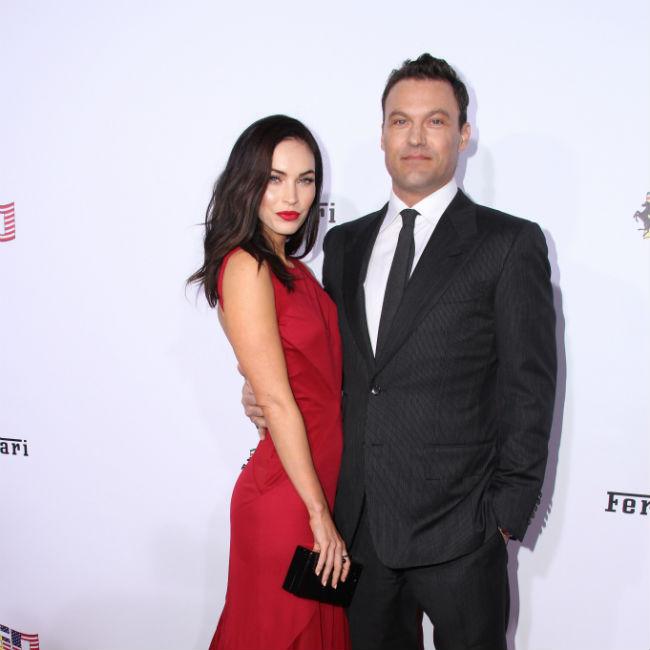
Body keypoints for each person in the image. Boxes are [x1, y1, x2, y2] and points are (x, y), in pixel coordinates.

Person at [244, 55, 557, 650]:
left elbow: (530, 388)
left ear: (463, 135)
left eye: (435, 121)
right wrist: (260, 386)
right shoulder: (344, 243)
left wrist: (503, 519)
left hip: (462, 535)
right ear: (382, 134)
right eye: (400, 121)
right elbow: (332, 364)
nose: (415, 137)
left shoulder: (509, 243)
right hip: (357, 529)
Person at [189, 114, 351, 650]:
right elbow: (278, 400)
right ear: (248, 182)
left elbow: (310, 377)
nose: (292, 196)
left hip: (317, 485)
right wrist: (318, 515)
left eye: (306, 180)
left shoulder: (295, 269)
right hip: (289, 499)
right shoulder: (246, 266)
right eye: (275, 178)